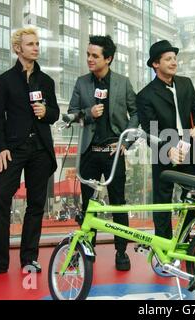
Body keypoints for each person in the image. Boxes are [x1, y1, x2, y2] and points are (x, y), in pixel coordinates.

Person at [0, 27, 60, 276]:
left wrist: (45, 113)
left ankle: (29, 258)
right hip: (13, 149)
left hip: (40, 149)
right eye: (30, 44)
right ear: (18, 48)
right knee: (1, 198)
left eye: (37, 43)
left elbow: (55, 113)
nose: (36, 47)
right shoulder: (4, 80)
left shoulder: (46, 81)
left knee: (36, 203)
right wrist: (0, 149)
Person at [68, 35, 137, 271]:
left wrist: (126, 142)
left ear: (108, 58)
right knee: (88, 204)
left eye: (94, 55)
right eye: (88, 54)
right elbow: (72, 113)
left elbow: (137, 113)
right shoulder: (81, 83)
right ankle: (87, 249)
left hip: (113, 153)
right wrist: (89, 113)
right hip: (89, 153)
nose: (89, 59)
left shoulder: (123, 82)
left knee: (118, 203)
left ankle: (121, 252)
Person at [137, 40, 195, 240]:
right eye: (168, 59)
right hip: (163, 151)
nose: (174, 62)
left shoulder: (186, 84)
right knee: (162, 203)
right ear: (155, 64)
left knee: (192, 198)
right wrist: (167, 150)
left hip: (190, 149)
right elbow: (150, 130)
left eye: (175, 58)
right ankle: (163, 247)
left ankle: (184, 239)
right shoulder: (145, 95)